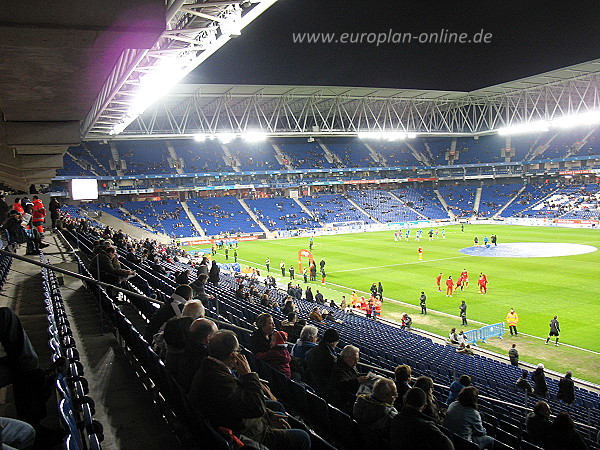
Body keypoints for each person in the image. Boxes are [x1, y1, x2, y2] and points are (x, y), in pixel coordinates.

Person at [188, 330, 311, 450]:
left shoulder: (209, 368)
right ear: (232, 355)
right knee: (302, 437)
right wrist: (248, 375)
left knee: (278, 411)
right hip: (249, 435)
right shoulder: (221, 381)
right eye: (238, 351)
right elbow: (256, 408)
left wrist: (268, 416)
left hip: (237, 422)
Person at [390, 387, 454, 450]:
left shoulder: (395, 418)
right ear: (424, 406)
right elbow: (449, 446)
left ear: (404, 401)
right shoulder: (427, 426)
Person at [353, 378, 398, 446]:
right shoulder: (390, 415)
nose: (396, 397)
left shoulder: (359, 402)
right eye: (394, 395)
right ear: (383, 397)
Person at [329, 345, 369, 414]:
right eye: (354, 359)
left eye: (357, 359)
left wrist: (366, 376)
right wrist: (357, 381)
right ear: (346, 358)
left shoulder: (349, 365)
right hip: (346, 402)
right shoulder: (339, 369)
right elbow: (341, 385)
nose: (356, 362)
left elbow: (355, 375)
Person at [305, 328, 339, 397]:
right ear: (332, 342)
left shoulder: (314, 349)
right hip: (321, 387)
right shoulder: (329, 357)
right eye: (336, 342)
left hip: (312, 382)